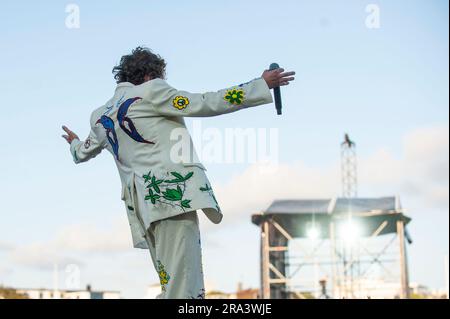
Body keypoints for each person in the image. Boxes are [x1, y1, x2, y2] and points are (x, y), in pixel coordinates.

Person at [62, 46, 295, 299]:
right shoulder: (152, 91)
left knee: (172, 282)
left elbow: (82, 152)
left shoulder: (99, 116)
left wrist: (74, 143)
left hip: (143, 209)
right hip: (173, 199)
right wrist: (259, 85)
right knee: (184, 287)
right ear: (151, 75)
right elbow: (205, 103)